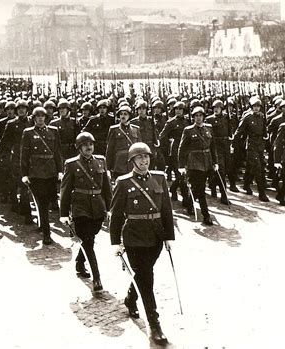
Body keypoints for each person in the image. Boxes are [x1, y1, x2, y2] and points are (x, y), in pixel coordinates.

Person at [110, 142, 174, 345]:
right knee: (147, 278)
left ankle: (130, 298)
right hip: (134, 237)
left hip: (155, 236)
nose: (144, 161)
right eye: (139, 158)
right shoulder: (123, 182)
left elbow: (166, 210)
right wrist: (115, 242)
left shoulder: (160, 178)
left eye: (146, 157)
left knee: (143, 274)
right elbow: (116, 215)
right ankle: (155, 325)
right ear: (132, 161)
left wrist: (169, 236)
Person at [60, 132, 112, 291]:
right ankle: (97, 278)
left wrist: (110, 209)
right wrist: (64, 213)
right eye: (85, 145)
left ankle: (79, 262)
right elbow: (65, 190)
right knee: (88, 241)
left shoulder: (101, 161)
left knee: (90, 238)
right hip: (80, 207)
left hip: (97, 208)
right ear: (79, 148)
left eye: (91, 144)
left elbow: (106, 188)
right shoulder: (71, 164)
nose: (89, 147)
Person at [20, 107, 63, 245]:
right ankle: (47, 233)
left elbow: (57, 153)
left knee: (49, 202)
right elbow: (24, 156)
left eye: (42, 116)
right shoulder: (28, 133)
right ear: (33, 118)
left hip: (50, 172)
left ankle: (43, 225)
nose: (40, 118)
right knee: (42, 203)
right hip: (36, 173)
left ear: (45, 117)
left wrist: (60, 170)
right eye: (37, 116)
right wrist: (25, 174)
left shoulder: (53, 131)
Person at [178, 106, 218, 225]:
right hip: (195, 164)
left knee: (198, 188)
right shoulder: (188, 130)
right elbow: (182, 148)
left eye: (200, 115)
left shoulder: (209, 128)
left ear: (204, 117)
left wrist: (215, 162)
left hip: (207, 162)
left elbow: (213, 147)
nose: (198, 118)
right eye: (196, 116)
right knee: (201, 189)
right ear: (193, 117)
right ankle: (206, 215)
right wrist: (181, 165)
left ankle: (190, 204)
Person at [232, 97, 269, 201]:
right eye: (254, 106)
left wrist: (266, 137)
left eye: (258, 106)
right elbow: (239, 131)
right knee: (258, 168)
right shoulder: (247, 117)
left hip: (260, 145)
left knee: (251, 167)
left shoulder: (262, 117)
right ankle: (262, 193)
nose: (256, 108)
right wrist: (234, 144)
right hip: (251, 144)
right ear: (251, 107)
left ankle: (246, 184)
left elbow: (264, 130)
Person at [106, 105, 141, 179]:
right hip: (119, 164)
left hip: (133, 163)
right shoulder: (114, 129)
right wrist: (108, 168)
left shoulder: (136, 129)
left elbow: (139, 149)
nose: (123, 116)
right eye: (121, 114)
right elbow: (110, 150)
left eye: (125, 114)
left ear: (130, 116)